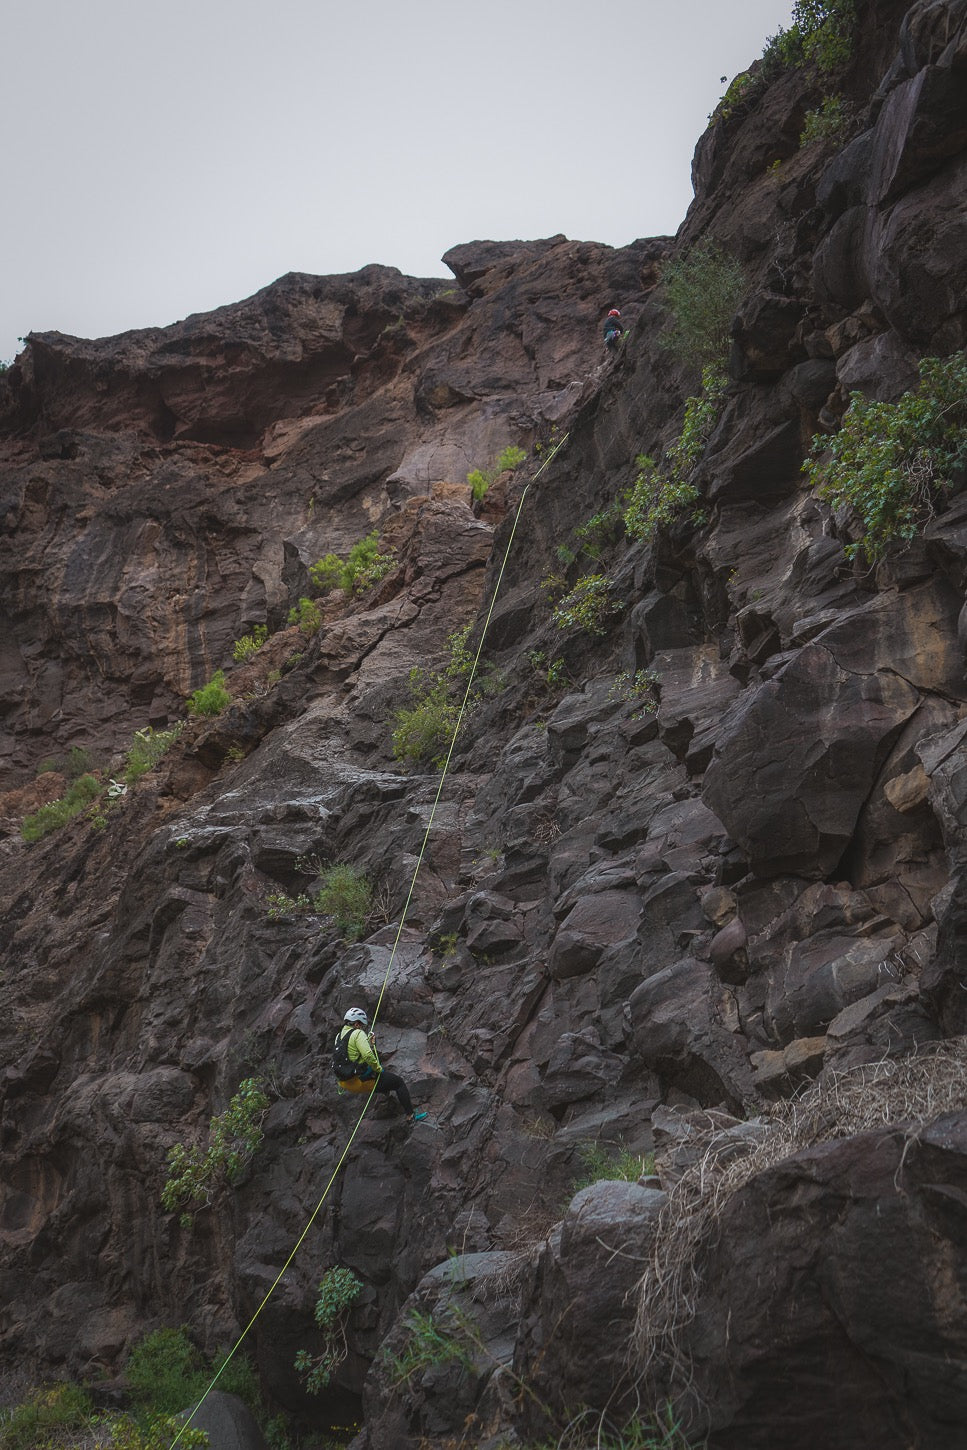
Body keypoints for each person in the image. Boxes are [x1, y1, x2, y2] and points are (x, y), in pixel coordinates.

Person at [333, 1007, 426, 1122]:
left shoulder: (338, 1036)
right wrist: (378, 1068)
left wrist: (371, 1046)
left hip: (344, 1082)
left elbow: (353, 1055)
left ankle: (384, 1090)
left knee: (381, 1078)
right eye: (361, 1025)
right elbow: (367, 1056)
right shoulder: (358, 1033)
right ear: (356, 1023)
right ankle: (411, 1116)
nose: (362, 1028)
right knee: (398, 1082)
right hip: (358, 1082)